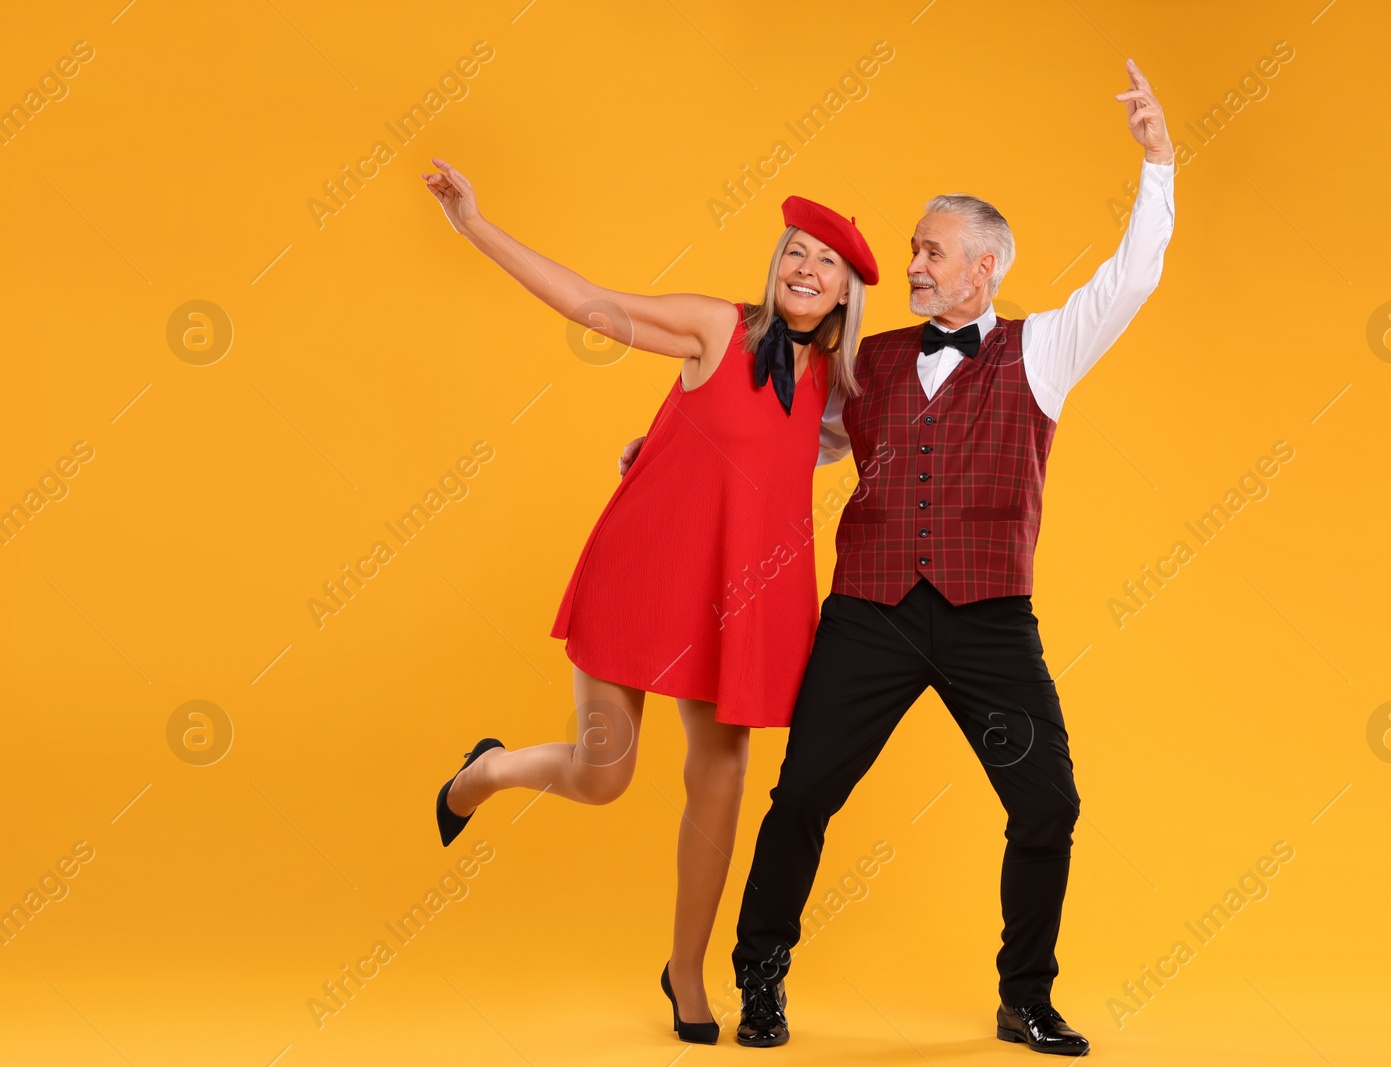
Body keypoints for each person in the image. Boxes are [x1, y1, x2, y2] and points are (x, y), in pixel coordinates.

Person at [621, 57, 1177, 1055]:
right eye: (914, 250)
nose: (911, 265)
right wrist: (665, 455)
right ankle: (759, 976)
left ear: (985, 266)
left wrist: (1157, 161)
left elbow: (1132, 275)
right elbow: (778, 429)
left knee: (1047, 802)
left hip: (986, 619)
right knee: (803, 796)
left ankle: (1025, 995)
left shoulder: (1044, 347)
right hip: (870, 611)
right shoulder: (863, 360)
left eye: (931, 250)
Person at [420, 158, 878, 1045]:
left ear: (848, 293)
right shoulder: (716, 328)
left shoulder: (842, 391)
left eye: (827, 262)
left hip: (745, 596)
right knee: (604, 774)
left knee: (725, 773)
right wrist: (473, 224)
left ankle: (686, 969)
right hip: (649, 569)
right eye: (796, 250)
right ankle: (486, 771)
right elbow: (595, 304)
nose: (805, 267)